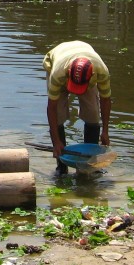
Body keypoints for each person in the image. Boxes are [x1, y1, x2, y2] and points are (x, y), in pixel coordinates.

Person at [43, 40, 112, 174]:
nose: (75, 92)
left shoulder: (101, 71)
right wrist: (56, 142)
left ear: (92, 76)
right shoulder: (58, 74)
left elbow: (106, 100)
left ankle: (89, 163)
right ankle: (61, 166)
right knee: (58, 115)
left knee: (93, 113)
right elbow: (51, 107)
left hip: (85, 66)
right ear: (69, 72)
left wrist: (105, 131)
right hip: (57, 60)